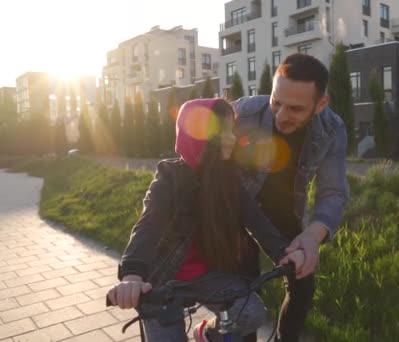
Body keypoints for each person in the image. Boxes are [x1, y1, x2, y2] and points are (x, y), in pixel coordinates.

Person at [107, 98, 305, 342]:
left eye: (232, 130)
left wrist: (283, 252)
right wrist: (132, 275)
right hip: (161, 281)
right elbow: (148, 225)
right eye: (223, 131)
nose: (232, 137)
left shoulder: (228, 178)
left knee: (251, 313)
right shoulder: (170, 178)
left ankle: (206, 334)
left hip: (208, 275)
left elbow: (255, 219)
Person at [232, 53, 350, 341]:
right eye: (276, 101)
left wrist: (312, 236)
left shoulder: (333, 130)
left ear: (321, 103)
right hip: (236, 212)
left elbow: (333, 192)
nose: (281, 115)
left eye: (296, 108)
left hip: (285, 215)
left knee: (303, 287)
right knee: (244, 295)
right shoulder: (241, 113)